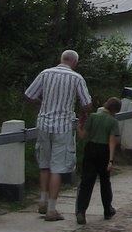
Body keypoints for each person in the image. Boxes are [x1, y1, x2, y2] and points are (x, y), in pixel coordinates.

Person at [25, 49, 92, 222]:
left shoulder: (45, 73)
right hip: (62, 126)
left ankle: (42, 201)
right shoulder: (76, 78)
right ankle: (52, 209)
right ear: (74, 63)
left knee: (44, 164)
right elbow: (87, 104)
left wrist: (43, 104)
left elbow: (29, 94)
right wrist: (82, 114)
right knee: (57, 167)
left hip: (43, 123)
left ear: (61, 59)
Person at [75, 97, 122, 225]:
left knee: (87, 181)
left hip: (90, 148)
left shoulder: (93, 117)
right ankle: (107, 209)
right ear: (116, 110)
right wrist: (110, 160)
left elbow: (82, 136)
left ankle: (81, 211)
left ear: (106, 104)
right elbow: (112, 142)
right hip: (104, 151)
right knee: (105, 181)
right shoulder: (113, 122)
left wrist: (78, 126)